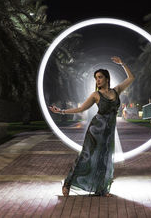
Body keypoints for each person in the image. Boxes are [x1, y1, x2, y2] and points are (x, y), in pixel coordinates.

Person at [49, 56, 134, 197]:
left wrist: (122, 64)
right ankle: (68, 183)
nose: (97, 80)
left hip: (108, 132)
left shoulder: (116, 91)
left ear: (107, 78)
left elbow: (131, 78)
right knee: (85, 157)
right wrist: (61, 111)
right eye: (96, 78)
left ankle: (102, 189)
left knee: (104, 159)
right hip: (96, 130)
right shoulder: (96, 95)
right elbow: (81, 109)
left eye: (100, 77)